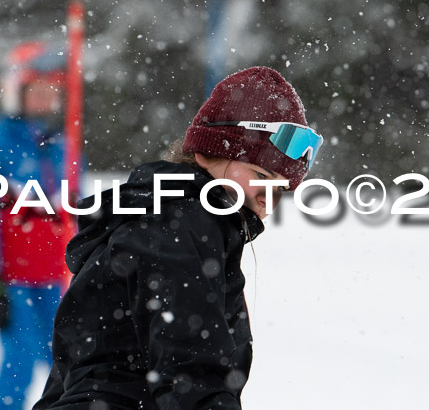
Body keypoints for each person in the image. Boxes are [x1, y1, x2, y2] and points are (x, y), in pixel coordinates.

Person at [34, 66, 323, 409]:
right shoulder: (181, 222)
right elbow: (191, 372)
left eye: (282, 186)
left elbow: (71, 373)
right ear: (206, 154)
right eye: (261, 174)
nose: (269, 197)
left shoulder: (158, 216)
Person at [0, 41, 75, 409]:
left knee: (69, 361)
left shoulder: (65, 147)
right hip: (12, 279)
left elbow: (76, 210)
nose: (44, 100)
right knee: (21, 360)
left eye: (51, 92)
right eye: (36, 92)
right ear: (16, 92)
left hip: (54, 277)